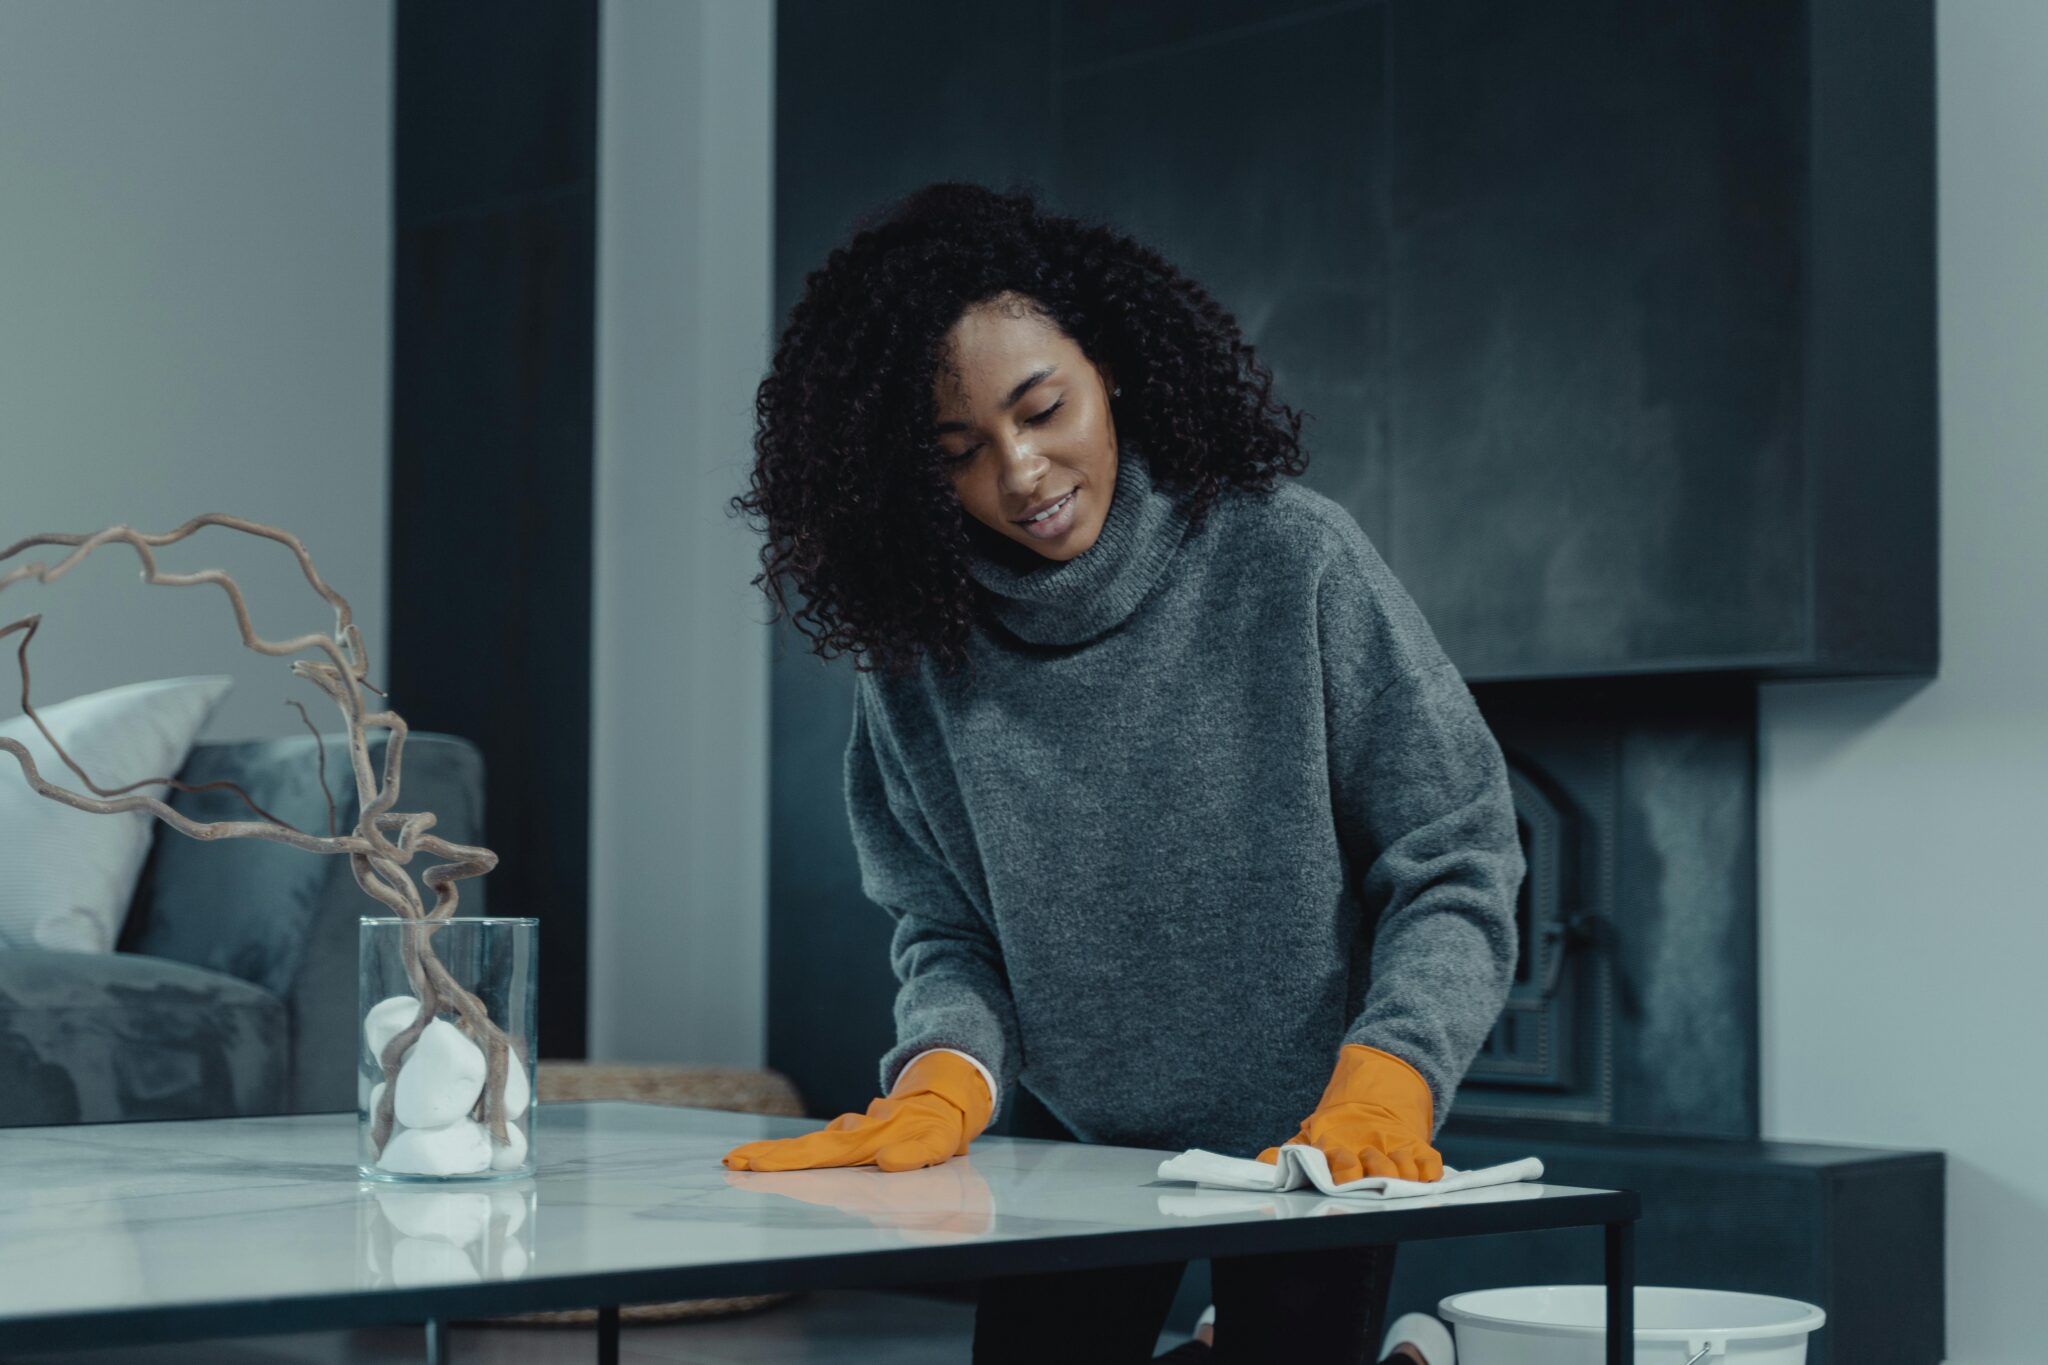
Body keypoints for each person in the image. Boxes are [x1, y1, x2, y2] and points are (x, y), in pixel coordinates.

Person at [723, 181, 1525, 1364]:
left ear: (1111, 368)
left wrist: (1390, 1076)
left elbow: (1454, 857)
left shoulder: (1288, 556)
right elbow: (945, 931)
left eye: (1042, 409)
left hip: (1317, 1137)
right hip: (1074, 1136)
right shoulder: (916, 661)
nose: (1023, 473)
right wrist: (943, 1075)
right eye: (960, 453)